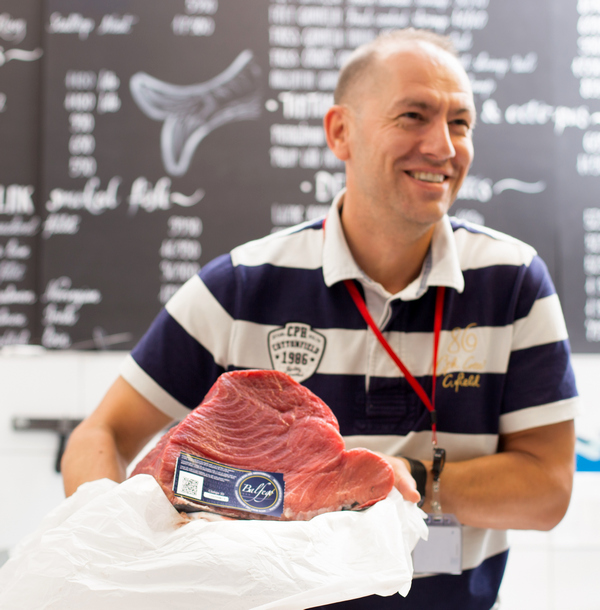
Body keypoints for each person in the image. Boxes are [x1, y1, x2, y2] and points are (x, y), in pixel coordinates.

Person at [61, 28, 578, 610]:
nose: (444, 146)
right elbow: (98, 435)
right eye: (414, 116)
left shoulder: (513, 282)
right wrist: (120, 543)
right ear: (340, 132)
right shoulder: (240, 285)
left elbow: (548, 489)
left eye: (460, 123)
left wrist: (399, 478)